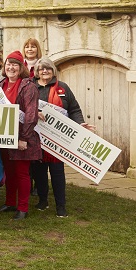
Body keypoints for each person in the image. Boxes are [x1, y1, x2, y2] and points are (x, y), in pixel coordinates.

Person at [33, 57, 93, 218]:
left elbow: (74, 109)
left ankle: (61, 205)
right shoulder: (31, 87)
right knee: (39, 172)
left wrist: (79, 123)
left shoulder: (63, 88)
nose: (44, 71)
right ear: (36, 72)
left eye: (48, 69)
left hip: (57, 140)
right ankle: (43, 200)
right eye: (41, 69)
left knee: (57, 172)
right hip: (37, 137)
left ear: (53, 71)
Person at [0, 51, 39, 220]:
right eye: (8, 64)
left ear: (21, 68)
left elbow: (30, 114)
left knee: (22, 173)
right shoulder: (1, 85)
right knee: (9, 172)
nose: (11, 67)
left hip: (22, 136)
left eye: (15, 64)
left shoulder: (28, 86)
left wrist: (24, 139)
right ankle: (10, 202)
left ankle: (23, 208)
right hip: (4, 136)